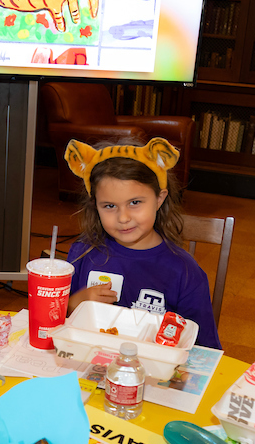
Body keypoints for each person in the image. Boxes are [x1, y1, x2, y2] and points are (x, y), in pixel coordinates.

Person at [63, 138, 220, 349]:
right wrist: (75, 303)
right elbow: (52, 321)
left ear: (159, 199)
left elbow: (204, 349)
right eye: (109, 206)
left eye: (135, 202)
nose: (123, 217)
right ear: (95, 206)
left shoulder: (184, 272)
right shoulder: (83, 252)